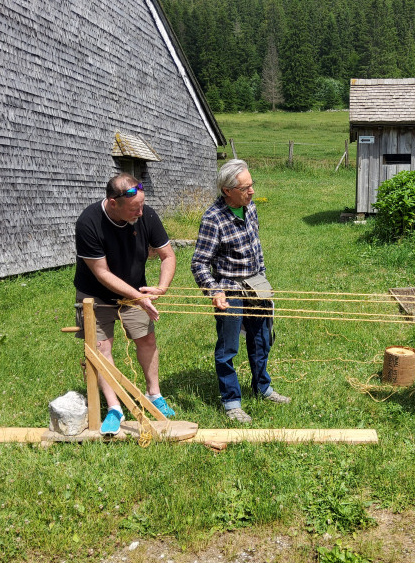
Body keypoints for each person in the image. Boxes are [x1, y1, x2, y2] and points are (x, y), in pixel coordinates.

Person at [74, 173, 177, 435]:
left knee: (147, 340)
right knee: (100, 349)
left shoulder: (147, 215)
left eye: (142, 205)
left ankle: (154, 395)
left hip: (135, 291)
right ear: (112, 203)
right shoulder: (89, 222)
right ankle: (114, 408)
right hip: (95, 295)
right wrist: (140, 297)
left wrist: (161, 288)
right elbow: (102, 273)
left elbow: (167, 255)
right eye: (134, 208)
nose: (141, 213)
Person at [191, 159, 290, 423]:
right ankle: (232, 401)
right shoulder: (213, 219)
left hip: (256, 286)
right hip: (230, 291)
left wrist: (263, 279)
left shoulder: (251, 208)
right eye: (245, 187)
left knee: (261, 340)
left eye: (251, 185)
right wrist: (214, 291)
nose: (252, 191)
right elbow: (199, 263)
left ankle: (263, 387)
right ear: (227, 190)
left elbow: (256, 247)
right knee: (228, 349)